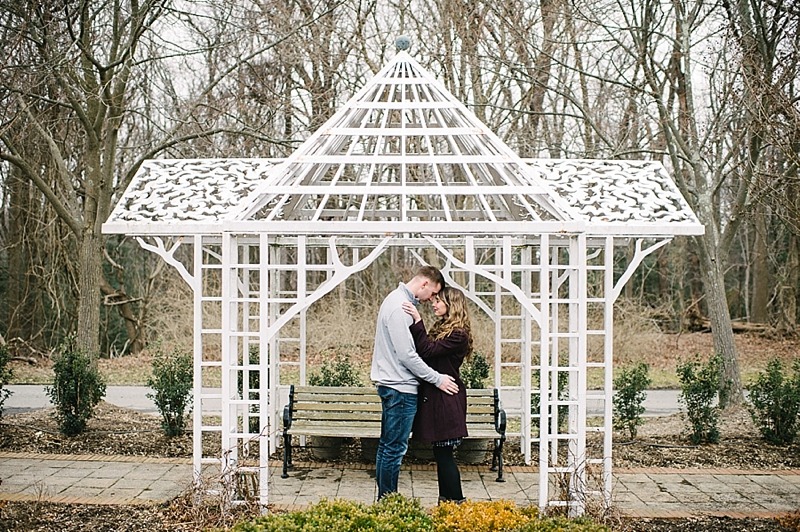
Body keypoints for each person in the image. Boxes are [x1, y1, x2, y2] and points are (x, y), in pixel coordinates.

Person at [371, 266, 459, 500]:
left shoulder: (395, 301)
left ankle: (384, 501)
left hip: (393, 384)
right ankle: (389, 504)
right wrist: (437, 379)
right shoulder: (399, 307)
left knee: (387, 447)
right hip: (400, 388)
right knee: (394, 450)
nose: (432, 299)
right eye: (433, 293)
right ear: (424, 284)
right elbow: (407, 355)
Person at [402, 286, 471, 503]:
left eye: (439, 301)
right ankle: (447, 502)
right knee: (441, 455)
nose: (434, 304)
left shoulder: (458, 334)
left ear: (452, 305)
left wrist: (417, 320)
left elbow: (428, 351)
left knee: (445, 455)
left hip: (447, 400)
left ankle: (456, 502)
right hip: (438, 398)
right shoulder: (443, 329)